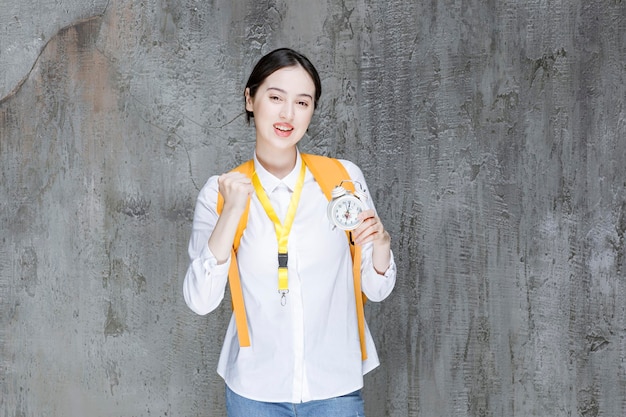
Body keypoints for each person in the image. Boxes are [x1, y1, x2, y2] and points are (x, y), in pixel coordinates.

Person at [183, 47, 396, 417]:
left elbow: (376, 290)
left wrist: (381, 246)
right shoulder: (220, 192)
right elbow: (200, 301)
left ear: (312, 110)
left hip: (335, 389)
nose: (287, 114)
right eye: (276, 97)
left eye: (302, 102)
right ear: (250, 99)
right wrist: (231, 211)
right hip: (254, 391)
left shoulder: (343, 179)